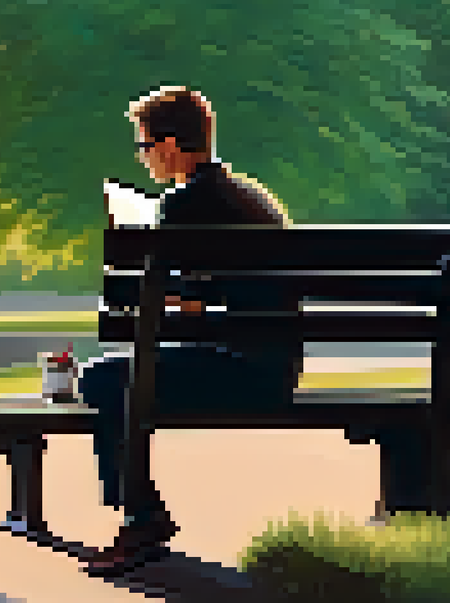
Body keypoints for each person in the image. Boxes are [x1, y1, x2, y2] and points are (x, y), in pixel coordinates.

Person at [78, 86, 300, 576]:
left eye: (144, 146)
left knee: (102, 380)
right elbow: (215, 295)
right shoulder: (248, 196)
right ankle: (140, 515)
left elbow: (175, 293)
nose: (142, 158)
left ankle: (140, 518)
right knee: (124, 377)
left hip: (241, 373)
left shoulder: (183, 204)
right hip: (274, 369)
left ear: (170, 145)